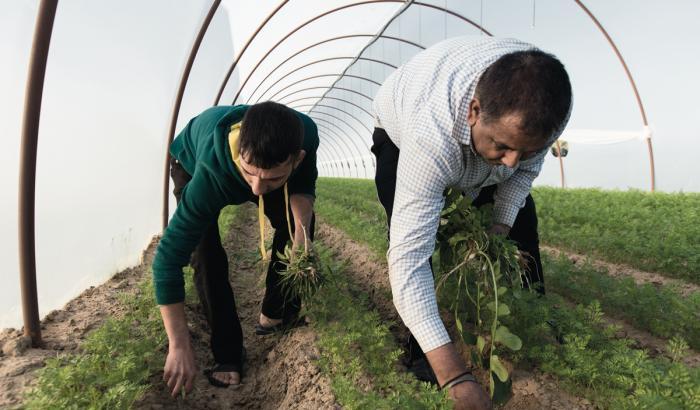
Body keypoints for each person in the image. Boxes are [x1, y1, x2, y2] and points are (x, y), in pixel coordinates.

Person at [371, 37, 572, 409]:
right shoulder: (430, 135)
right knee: (417, 241)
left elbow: (522, 175)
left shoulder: (550, 103)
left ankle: (538, 320)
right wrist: (457, 376)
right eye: (502, 146)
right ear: (474, 111)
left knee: (523, 225)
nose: (511, 161)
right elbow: (408, 261)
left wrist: (498, 231)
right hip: (398, 131)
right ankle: (426, 358)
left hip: (469, 121)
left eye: (525, 150)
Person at [152, 101, 319, 396]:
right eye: (249, 173)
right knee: (207, 256)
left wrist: (302, 239)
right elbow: (166, 261)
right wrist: (178, 345)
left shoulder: (306, 133)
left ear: (298, 158)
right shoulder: (209, 175)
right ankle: (227, 354)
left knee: (296, 228)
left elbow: (302, 188)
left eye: (272, 178)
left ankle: (275, 313)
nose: (256, 189)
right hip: (190, 163)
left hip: (260, 164)